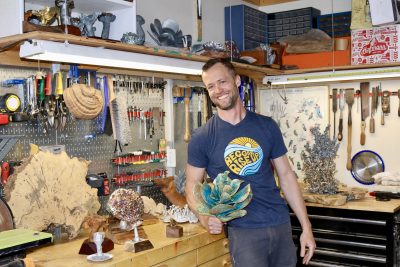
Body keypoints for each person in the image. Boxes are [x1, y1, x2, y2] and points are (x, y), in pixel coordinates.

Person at [185, 58, 316, 266]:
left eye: (222, 82)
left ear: (236, 80)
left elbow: (286, 175)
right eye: (211, 86)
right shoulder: (202, 137)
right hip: (243, 233)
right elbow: (192, 185)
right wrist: (204, 217)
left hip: (280, 224)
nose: (218, 90)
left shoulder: (267, 126)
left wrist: (306, 227)